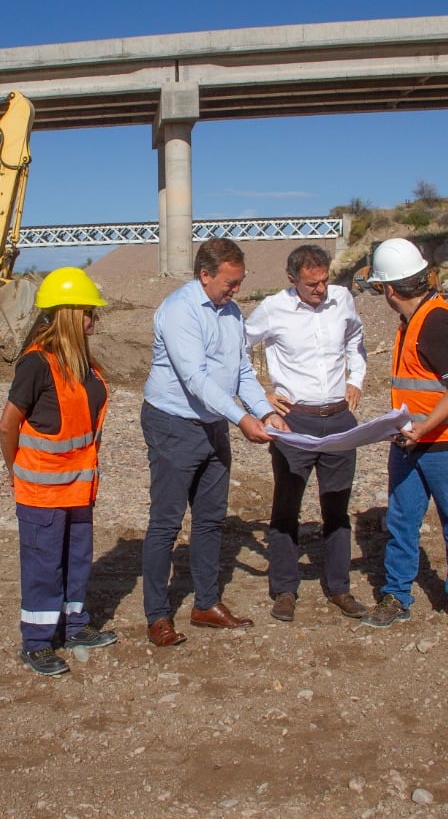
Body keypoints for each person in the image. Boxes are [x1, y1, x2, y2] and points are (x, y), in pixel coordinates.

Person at [140, 238, 289, 647]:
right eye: (230, 282)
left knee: (210, 518)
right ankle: (157, 615)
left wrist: (265, 412)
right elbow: (196, 379)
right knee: (166, 523)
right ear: (205, 275)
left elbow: (241, 371)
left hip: (212, 424)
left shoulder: (230, 312)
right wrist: (241, 418)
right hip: (173, 424)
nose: (236, 290)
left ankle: (206, 603)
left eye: (240, 282)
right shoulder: (178, 311)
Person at [360, 238, 448, 641]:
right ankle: (396, 595)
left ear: (390, 289)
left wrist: (423, 429)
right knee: (401, 521)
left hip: (446, 445)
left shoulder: (437, 321)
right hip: (412, 442)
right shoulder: (412, 321)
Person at [0, 267, 119, 676]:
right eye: (89, 312)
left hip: (79, 488)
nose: (94, 319)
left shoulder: (84, 363)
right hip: (43, 492)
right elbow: (7, 425)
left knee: (77, 560)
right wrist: (17, 471)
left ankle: (74, 627)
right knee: (43, 566)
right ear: (69, 312)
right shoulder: (36, 364)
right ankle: (36, 643)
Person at [244, 244, 369, 622]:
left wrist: (356, 378)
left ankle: (340, 588)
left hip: (339, 418)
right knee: (286, 506)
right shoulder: (272, 308)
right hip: (293, 422)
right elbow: (235, 348)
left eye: (325, 280)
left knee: (337, 506)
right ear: (291, 279)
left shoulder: (343, 299)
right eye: (312, 283)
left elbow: (355, 339)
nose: (321, 289)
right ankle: (284, 589)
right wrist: (261, 397)